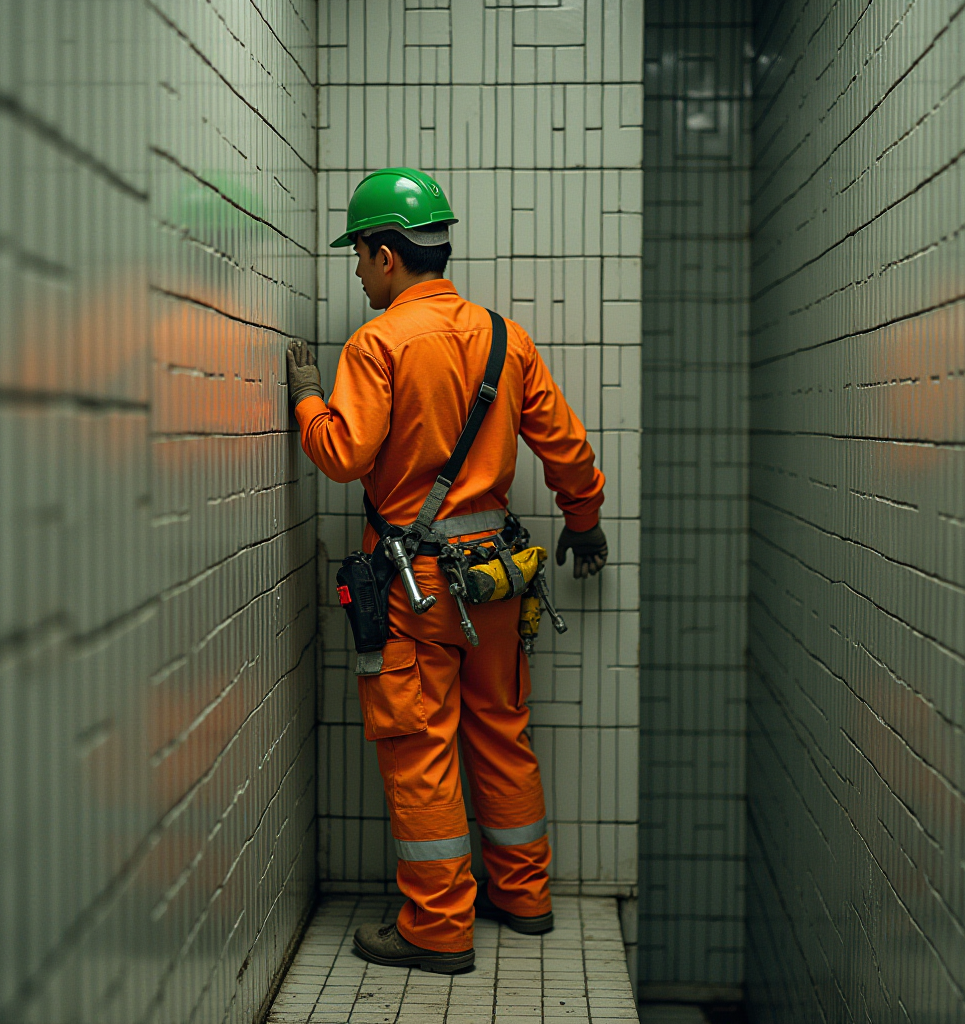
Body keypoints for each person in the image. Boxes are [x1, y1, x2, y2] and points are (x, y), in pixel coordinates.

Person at [288, 167, 608, 973]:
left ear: (386, 253)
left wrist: (304, 400)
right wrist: (585, 520)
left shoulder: (378, 343)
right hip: (496, 582)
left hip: (415, 591)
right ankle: (523, 895)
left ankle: (437, 928)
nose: (357, 273)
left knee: (420, 745)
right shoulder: (504, 336)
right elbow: (566, 447)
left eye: (359, 257)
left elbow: (343, 454)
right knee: (502, 732)